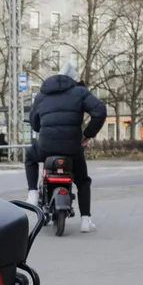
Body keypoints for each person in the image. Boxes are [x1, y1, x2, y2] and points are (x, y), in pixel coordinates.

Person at [25, 63, 107, 233]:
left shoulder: (42, 95)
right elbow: (99, 111)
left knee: (30, 156)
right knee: (83, 181)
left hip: (46, 147)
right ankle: (85, 220)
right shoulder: (80, 92)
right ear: (73, 80)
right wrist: (88, 134)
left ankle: (32, 193)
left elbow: (34, 124)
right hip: (72, 148)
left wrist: (44, 127)